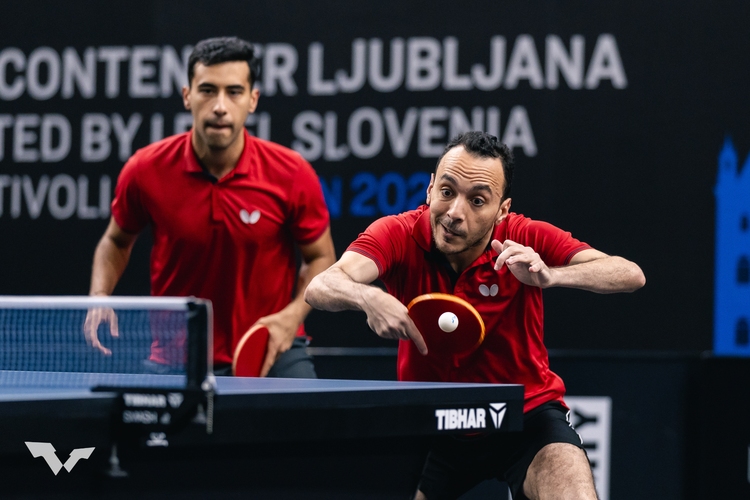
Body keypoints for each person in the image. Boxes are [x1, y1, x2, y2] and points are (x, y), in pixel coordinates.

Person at [304, 131, 645, 499]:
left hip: (523, 414)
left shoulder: (522, 237)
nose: (454, 214)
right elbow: (320, 286)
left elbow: (629, 274)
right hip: (432, 421)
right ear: (430, 189)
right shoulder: (398, 234)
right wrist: (367, 297)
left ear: (502, 210)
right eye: (447, 192)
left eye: (477, 200)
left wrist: (552, 274)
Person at [85, 36, 336, 378]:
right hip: (176, 357)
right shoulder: (145, 169)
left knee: (306, 426)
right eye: (207, 90)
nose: (220, 105)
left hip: (272, 348)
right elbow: (115, 240)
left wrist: (291, 318)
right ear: (187, 96)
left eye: (233, 92)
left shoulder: (291, 173)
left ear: (252, 100)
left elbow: (321, 257)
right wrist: (100, 295)